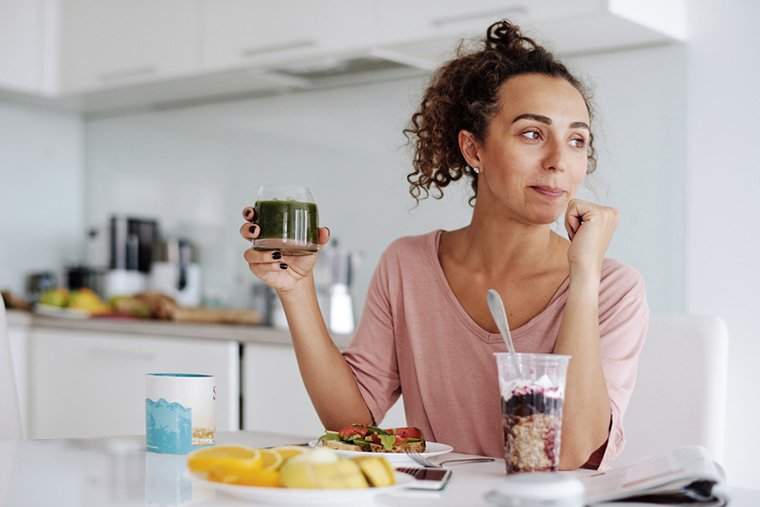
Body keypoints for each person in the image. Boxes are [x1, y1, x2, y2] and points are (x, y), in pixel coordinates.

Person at [240, 20, 648, 470]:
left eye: (577, 141)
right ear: (474, 150)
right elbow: (351, 423)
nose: (558, 162)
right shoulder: (408, 264)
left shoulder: (612, 287)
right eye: (532, 134)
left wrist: (584, 273)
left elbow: (568, 453)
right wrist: (296, 291)